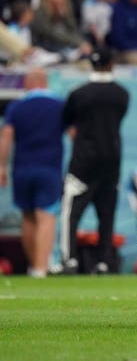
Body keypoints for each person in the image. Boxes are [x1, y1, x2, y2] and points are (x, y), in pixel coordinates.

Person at [59, 46, 129, 274]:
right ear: (111, 64)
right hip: (111, 162)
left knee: (72, 214)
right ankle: (103, 261)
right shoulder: (121, 94)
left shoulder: (78, 94)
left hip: (83, 163)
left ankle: (69, 260)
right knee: (106, 215)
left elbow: (67, 121)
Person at [0, 68, 65, 278]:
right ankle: (40, 268)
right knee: (46, 216)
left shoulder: (16, 106)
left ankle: (32, 266)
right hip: (49, 167)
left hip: (22, 169)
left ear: (29, 82)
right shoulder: (59, 105)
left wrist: (1, 166)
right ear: (44, 81)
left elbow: (6, 136)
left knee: (27, 217)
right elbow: (74, 133)